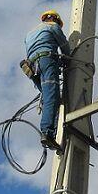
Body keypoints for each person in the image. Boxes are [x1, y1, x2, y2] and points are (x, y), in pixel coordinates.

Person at [24, 10, 70, 150]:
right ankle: (48, 133)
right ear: (55, 19)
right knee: (52, 97)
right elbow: (64, 47)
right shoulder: (52, 26)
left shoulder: (30, 33)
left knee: (48, 96)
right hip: (46, 60)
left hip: (32, 66)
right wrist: (68, 60)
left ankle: (53, 129)